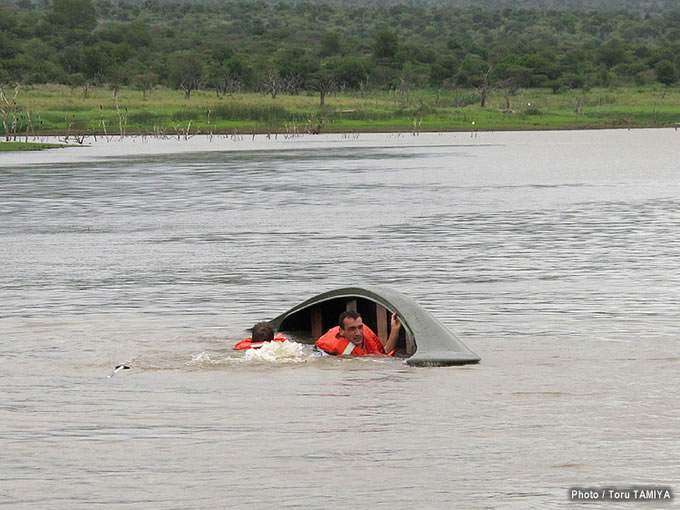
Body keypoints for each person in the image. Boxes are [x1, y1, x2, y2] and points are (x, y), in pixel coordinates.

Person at [315, 310, 401, 356]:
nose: (358, 333)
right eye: (352, 329)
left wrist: (395, 330)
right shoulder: (330, 353)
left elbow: (383, 355)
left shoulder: (365, 338)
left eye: (360, 327)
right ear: (341, 332)